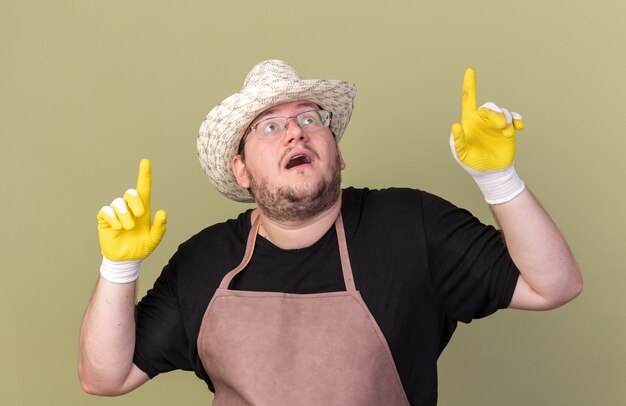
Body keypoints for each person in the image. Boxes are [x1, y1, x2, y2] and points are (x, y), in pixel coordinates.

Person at [78, 60, 582, 405]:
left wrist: (499, 180)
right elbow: (105, 376)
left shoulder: (410, 226)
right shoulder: (204, 261)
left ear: (337, 153)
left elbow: (553, 285)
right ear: (242, 170)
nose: (295, 130)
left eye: (309, 118)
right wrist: (118, 269)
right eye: (269, 127)